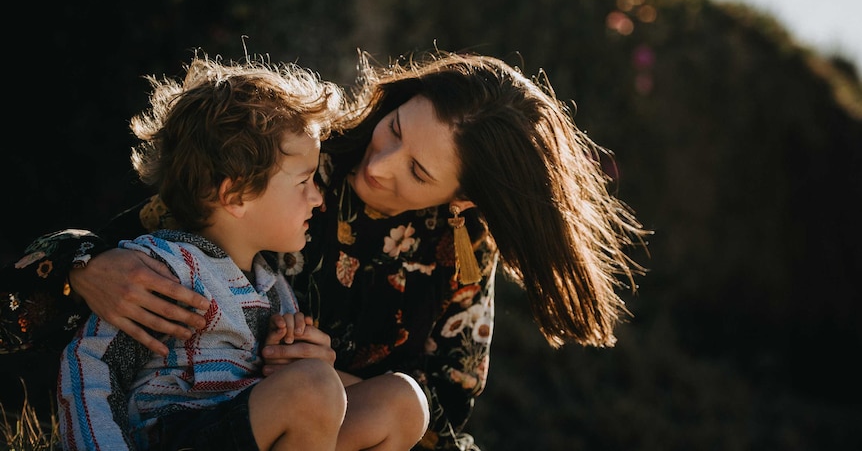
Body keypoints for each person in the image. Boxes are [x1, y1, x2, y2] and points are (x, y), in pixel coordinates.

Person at [3, 50, 647, 451]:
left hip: (330, 427)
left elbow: (441, 413)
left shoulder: (462, 250)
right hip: (201, 418)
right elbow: (55, 282)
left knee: (400, 401)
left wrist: (332, 375)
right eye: (394, 128)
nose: (380, 162)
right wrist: (85, 268)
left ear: (462, 200)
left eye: (419, 173)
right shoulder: (296, 160)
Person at [54, 53, 429, 451]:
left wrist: (292, 362)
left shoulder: (273, 286)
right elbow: (90, 367)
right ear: (235, 195)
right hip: (177, 434)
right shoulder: (166, 269)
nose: (318, 198)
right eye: (303, 181)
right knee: (314, 389)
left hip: (252, 427)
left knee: (404, 401)